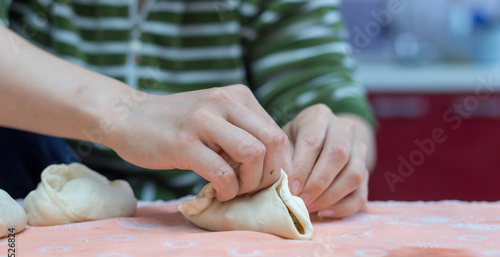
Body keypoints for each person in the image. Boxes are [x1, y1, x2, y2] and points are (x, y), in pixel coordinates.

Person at [0, 0, 376, 218]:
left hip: (206, 215)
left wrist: (334, 147)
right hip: (28, 195)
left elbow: (329, 95)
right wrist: (126, 112)